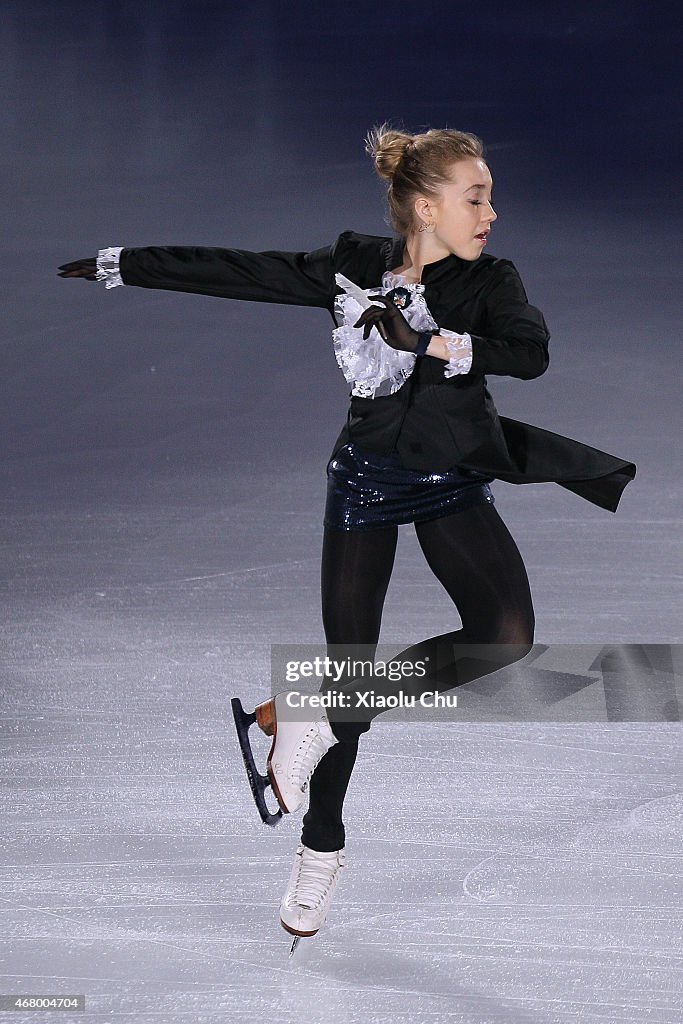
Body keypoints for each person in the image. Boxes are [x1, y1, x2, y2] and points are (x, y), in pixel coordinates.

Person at [58, 124, 636, 951]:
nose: (491, 213)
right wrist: (128, 263)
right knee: (351, 677)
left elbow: (529, 353)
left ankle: (303, 711)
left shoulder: (488, 282)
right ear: (426, 206)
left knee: (503, 637)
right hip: (364, 482)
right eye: (475, 198)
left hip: (449, 480)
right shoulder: (354, 264)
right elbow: (245, 272)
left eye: (489, 197)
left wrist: (431, 340)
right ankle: (319, 846)